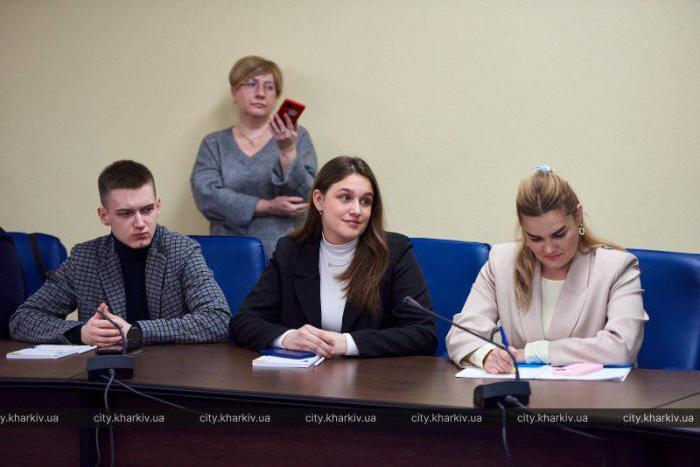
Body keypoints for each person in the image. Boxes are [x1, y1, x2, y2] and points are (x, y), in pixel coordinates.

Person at [446, 165, 648, 373]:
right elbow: (460, 335)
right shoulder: (501, 263)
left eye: (559, 235)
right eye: (535, 239)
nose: (549, 249)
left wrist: (535, 352)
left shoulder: (617, 267)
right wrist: (486, 355)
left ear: (578, 215)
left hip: (595, 392)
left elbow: (622, 346)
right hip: (524, 391)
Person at [229, 156, 437, 358]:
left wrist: (347, 343)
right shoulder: (291, 251)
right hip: (302, 377)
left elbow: (424, 333)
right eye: (345, 198)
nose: (357, 210)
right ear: (319, 200)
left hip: (372, 377)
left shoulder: (393, 251)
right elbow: (243, 322)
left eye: (365, 201)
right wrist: (288, 338)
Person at [10, 160, 230, 348]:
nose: (140, 223)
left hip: (173, 370)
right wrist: (81, 333)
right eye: (126, 213)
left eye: (147, 210)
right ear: (104, 216)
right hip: (106, 373)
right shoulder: (84, 258)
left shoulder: (182, 251)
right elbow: (22, 319)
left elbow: (219, 319)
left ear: (158, 206)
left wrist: (137, 332)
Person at [191, 55, 318, 257]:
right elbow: (206, 197)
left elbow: (309, 196)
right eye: (251, 84)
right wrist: (267, 206)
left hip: (285, 252)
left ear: (276, 97)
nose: (260, 93)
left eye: (269, 87)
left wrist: (287, 151)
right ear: (234, 91)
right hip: (228, 251)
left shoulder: (297, 137)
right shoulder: (214, 143)